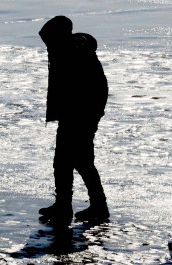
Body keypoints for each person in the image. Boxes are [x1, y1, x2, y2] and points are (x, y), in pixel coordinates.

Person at [37, 15, 109, 225]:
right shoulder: (64, 50)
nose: (47, 45)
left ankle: (97, 206)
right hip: (72, 115)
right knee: (64, 161)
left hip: (80, 116)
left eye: (49, 39)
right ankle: (65, 205)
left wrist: (89, 115)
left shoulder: (76, 53)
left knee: (80, 161)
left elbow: (97, 87)